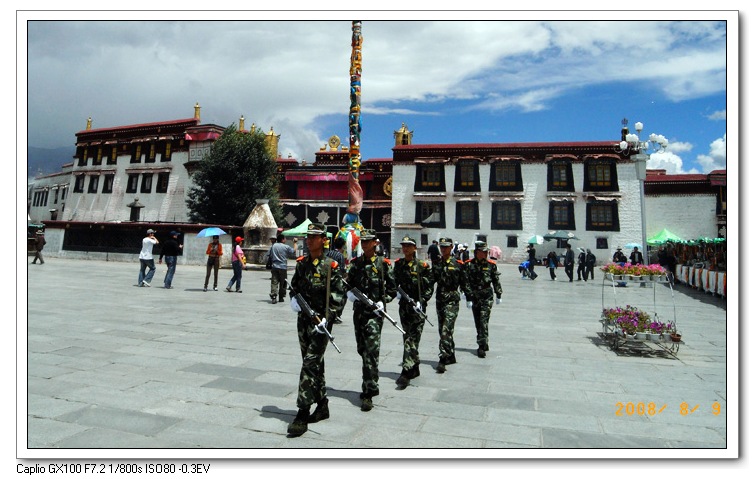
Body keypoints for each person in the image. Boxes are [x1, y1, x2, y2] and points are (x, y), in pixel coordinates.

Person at [286, 222, 346, 438]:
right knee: (313, 365)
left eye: (314, 237)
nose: (309, 240)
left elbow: (340, 296)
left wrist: (328, 318)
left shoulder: (331, 266)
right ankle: (322, 404)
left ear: (323, 239)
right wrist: (294, 300)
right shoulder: (302, 264)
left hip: (321, 325)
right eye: (307, 237)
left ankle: (302, 412)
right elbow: (294, 287)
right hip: (304, 322)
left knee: (310, 364)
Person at [345, 228, 397, 412]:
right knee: (362, 349)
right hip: (359, 313)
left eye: (368, 241)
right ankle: (370, 381)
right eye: (363, 241)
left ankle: (369, 392)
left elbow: (392, 289)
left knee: (370, 352)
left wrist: (384, 302)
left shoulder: (383, 264)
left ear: (375, 242)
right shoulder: (356, 264)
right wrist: (350, 294)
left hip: (375, 315)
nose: (365, 244)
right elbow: (348, 284)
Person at [393, 236, 434, 390]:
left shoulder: (422, 266)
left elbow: (429, 287)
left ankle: (406, 371)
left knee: (412, 338)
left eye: (408, 246)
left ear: (414, 248)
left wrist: (422, 301)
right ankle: (414, 366)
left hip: (417, 308)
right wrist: (395, 293)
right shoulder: (399, 265)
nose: (405, 249)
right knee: (407, 336)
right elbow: (393, 282)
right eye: (403, 246)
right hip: (404, 306)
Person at [432, 237, 468, 373]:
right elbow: (431, 281)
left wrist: (467, 294)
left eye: (446, 247)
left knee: (447, 328)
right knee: (443, 329)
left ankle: (443, 358)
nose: (444, 249)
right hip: (440, 299)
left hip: (452, 299)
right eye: (442, 247)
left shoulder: (458, 263)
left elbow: (464, 281)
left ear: (451, 247)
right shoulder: (436, 263)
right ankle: (451, 354)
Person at [464, 241, 502, 358]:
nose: (485, 254)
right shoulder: (469, 265)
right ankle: (483, 340)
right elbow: (466, 281)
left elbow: (495, 280)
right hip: (475, 295)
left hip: (487, 295)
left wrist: (498, 294)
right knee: (478, 320)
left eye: (486, 251)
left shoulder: (491, 264)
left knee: (483, 320)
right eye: (483, 251)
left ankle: (481, 346)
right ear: (477, 252)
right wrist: (467, 296)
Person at [268, 233, 298, 303]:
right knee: (283, 282)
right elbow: (293, 251)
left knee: (274, 282)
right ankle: (281, 297)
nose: (286, 240)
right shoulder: (286, 247)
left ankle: (274, 296)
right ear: (282, 239)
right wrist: (295, 243)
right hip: (283, 267)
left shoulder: (273, 246)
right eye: (285, 238)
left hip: (275, 266)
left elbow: (270, 255)